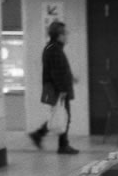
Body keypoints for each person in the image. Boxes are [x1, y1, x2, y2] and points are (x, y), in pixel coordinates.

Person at [29, 20, 80, 154]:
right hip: (58, 89)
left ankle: (39, 134)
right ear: (59, 35)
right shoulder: (54, 50)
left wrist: (70, 77)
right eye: (65, 33)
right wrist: (63, 89)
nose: (67, 36)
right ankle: (62, 145)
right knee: (63, 116)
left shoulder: (52, 48)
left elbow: (60, 70)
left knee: (59, 115)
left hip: (57, 87)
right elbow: (56, 72)